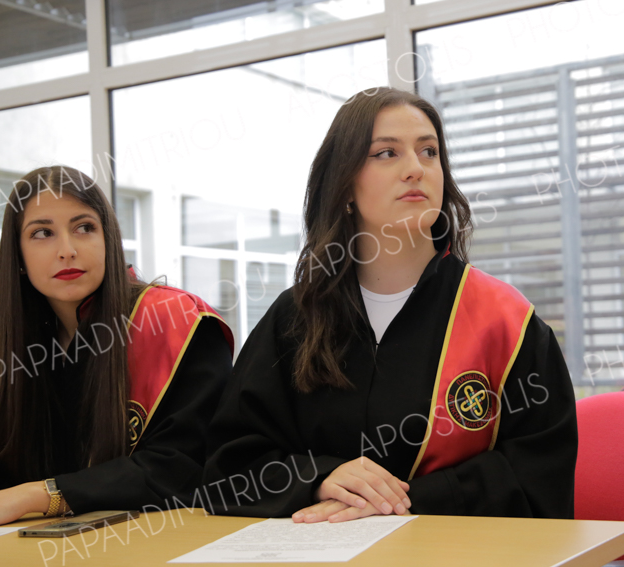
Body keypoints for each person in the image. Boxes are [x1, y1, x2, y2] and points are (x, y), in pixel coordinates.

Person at [203, 87, 577, 522]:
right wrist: (318, 478)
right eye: (387, 153)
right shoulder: (295, 319)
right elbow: (227, 467)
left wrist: (400, 504)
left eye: (429, 151)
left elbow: (540, 479)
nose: (416, 168)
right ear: (344, 184)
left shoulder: (505, 322)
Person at [0, 166, 234, 526]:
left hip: (164, 537)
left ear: (109, 239)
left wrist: (38, 495)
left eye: (84, 228)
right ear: (19, 257)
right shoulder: (10, 349)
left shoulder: (174, 320)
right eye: (42, 233)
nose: (67, 251)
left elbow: (184, 467)